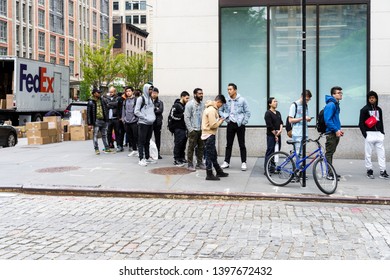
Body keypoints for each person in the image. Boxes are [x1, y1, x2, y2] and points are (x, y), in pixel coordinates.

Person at [219, 83, 251, 171]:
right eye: (228, 89)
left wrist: (243, 122)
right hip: (230, 124)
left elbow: (247, 112)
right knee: (228, 144)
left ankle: (244, 162)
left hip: (240, 124)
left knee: (242, 144)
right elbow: (220, 110)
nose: (229, 91)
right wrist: (226, 118)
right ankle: (226, 162)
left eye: (230, 89)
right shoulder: (226, 100)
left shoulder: (242, 100)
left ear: (235, 90)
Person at [359, 90, 389, 179]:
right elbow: (361, 123)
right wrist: (365, 134)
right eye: (370, 98)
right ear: (368, 99)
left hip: (378, 134)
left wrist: (382, 132)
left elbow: (381, 121)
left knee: (382, 154)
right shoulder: (364, 109)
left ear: (376, 99)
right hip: (369, 134)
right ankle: (369, 170)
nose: (372, 99)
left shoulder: (379, 109)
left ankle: (383, 171)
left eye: (373, 98)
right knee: (368, 154)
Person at [201, 95, 228, 180]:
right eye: (221, 104)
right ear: (218, 102)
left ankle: (218, 171)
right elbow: (213, 125)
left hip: (208, 134)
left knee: (213, 154)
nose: (221, 106)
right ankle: (209, 174)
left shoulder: (210, 109)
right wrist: (220, 121)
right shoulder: (212, 110)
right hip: (209, 135)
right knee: (209, 155)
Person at [324, 86, 344, 179]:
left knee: (331, 153)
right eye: (338, 93)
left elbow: (334, 119)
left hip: (335, 132)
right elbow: (327, 120)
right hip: (331, 133)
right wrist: (336, 130)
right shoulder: (331, 104)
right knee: (329, 153)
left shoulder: (336, 104)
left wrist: (338, 130)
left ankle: (330, 172)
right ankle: (329, 173)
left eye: (341, 93)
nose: (341, 94)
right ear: (333, 94)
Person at [134, 83, 156, 166]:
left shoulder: (151, 99)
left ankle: (147, 157)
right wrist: (145, 117)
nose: (151, 91)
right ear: (146, 89)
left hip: (150, 123)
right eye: (149, 89)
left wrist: (152, 117)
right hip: (143, 123)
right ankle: (141, 159)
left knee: (147, 141)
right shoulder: (141, 99)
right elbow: (136, 111)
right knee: (141, 141)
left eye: (151, 89)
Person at [184, 88, 206, 171]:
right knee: (191, 147)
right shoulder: (190, 104)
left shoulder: (202, 104)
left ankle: (199, 163)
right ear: (195, 94)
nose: (201, 95)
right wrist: (191, 129)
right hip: (193, 130)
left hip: (201, 129)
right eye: (199, 94)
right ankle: (190, 164)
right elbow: (186, 117)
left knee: (201, 147)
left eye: (202, 93)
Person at [86, 88, 112, 155]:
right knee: (95, 135)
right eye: (98, 92)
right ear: (94, 94)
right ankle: (96, 149)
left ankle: (107, 148)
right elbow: (88, 114)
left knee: (104, 135)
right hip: (96, 120)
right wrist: (89, 124)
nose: (99, 94)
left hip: (104, 120)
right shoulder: (90, 102)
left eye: (99, 92)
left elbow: (107, 107)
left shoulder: (103, 100)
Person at [288, 90, 313, 156]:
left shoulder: (305, 105)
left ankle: (299, 165)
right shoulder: (294, 105)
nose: (307, 101)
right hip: (297, 132)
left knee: (302, 153)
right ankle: (295, 165)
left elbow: (305, 117)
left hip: (304, 132)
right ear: (302, 96)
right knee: (297, 152)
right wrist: (303, 118)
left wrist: (308, 119)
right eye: (306, 99)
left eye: (308, 100)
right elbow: (290, 120)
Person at [170, 91, 190, 167]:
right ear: (182, 97)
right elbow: (172, 115)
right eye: (186, 98)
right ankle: (176, 159)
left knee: (183, 143)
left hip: (184, 128)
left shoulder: (185, 106)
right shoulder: (176, 105)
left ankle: (182, 157)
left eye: (188, 98)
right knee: (178, 143)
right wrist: (182, 115)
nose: (187, 100)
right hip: (178, 128)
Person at [264, 97, 283, 174]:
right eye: (274, 101)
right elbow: (269, 125)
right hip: (271, 136)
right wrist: (275, 134)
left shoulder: (278, 113)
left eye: (276, 101)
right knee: (270, 152)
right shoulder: (268, 113)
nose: (276, 102)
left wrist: (280, 131)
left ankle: (273, 168)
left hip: (278, 134)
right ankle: (266, 169)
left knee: (276, 151)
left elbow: (281, 122)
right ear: (270, 103)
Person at [122, 86, 139, 157]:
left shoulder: (136, 100)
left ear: (132, 91)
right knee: (130, 137)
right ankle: (134, 150)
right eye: (127, 91)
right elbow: (123, 110)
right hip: (127, 121)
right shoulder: (125, 101)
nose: (128, 92)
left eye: (129, 91)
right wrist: (123, 119)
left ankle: (139, 150)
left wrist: (136, 119)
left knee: (136, 136)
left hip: (134, 121)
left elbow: (138, 110)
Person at [106, 86, 124, 152]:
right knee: (108, 132)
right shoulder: (106, 98)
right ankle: (110, 144)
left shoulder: (118, 98)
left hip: (116, 118)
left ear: (115, 92)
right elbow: (106, 105)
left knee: (117, 132)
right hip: (109, 118)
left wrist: (109, 104)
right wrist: (112, 104)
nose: (110, 93)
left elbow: (117, 104)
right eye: (110, 92)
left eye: (112, 92)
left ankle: (119, 145)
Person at [151, 87, 164, 159]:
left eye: (155, 93)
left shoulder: (160, 102)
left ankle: (157, 152)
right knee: (148, 138)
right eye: (153, 93)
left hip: (157, 122)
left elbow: (160, 111)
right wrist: (156, 108)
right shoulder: (149, 101)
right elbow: (148, 110)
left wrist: (154, 109)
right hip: (150, 122)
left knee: (157, 138)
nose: (154, 94)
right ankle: (149, 153)